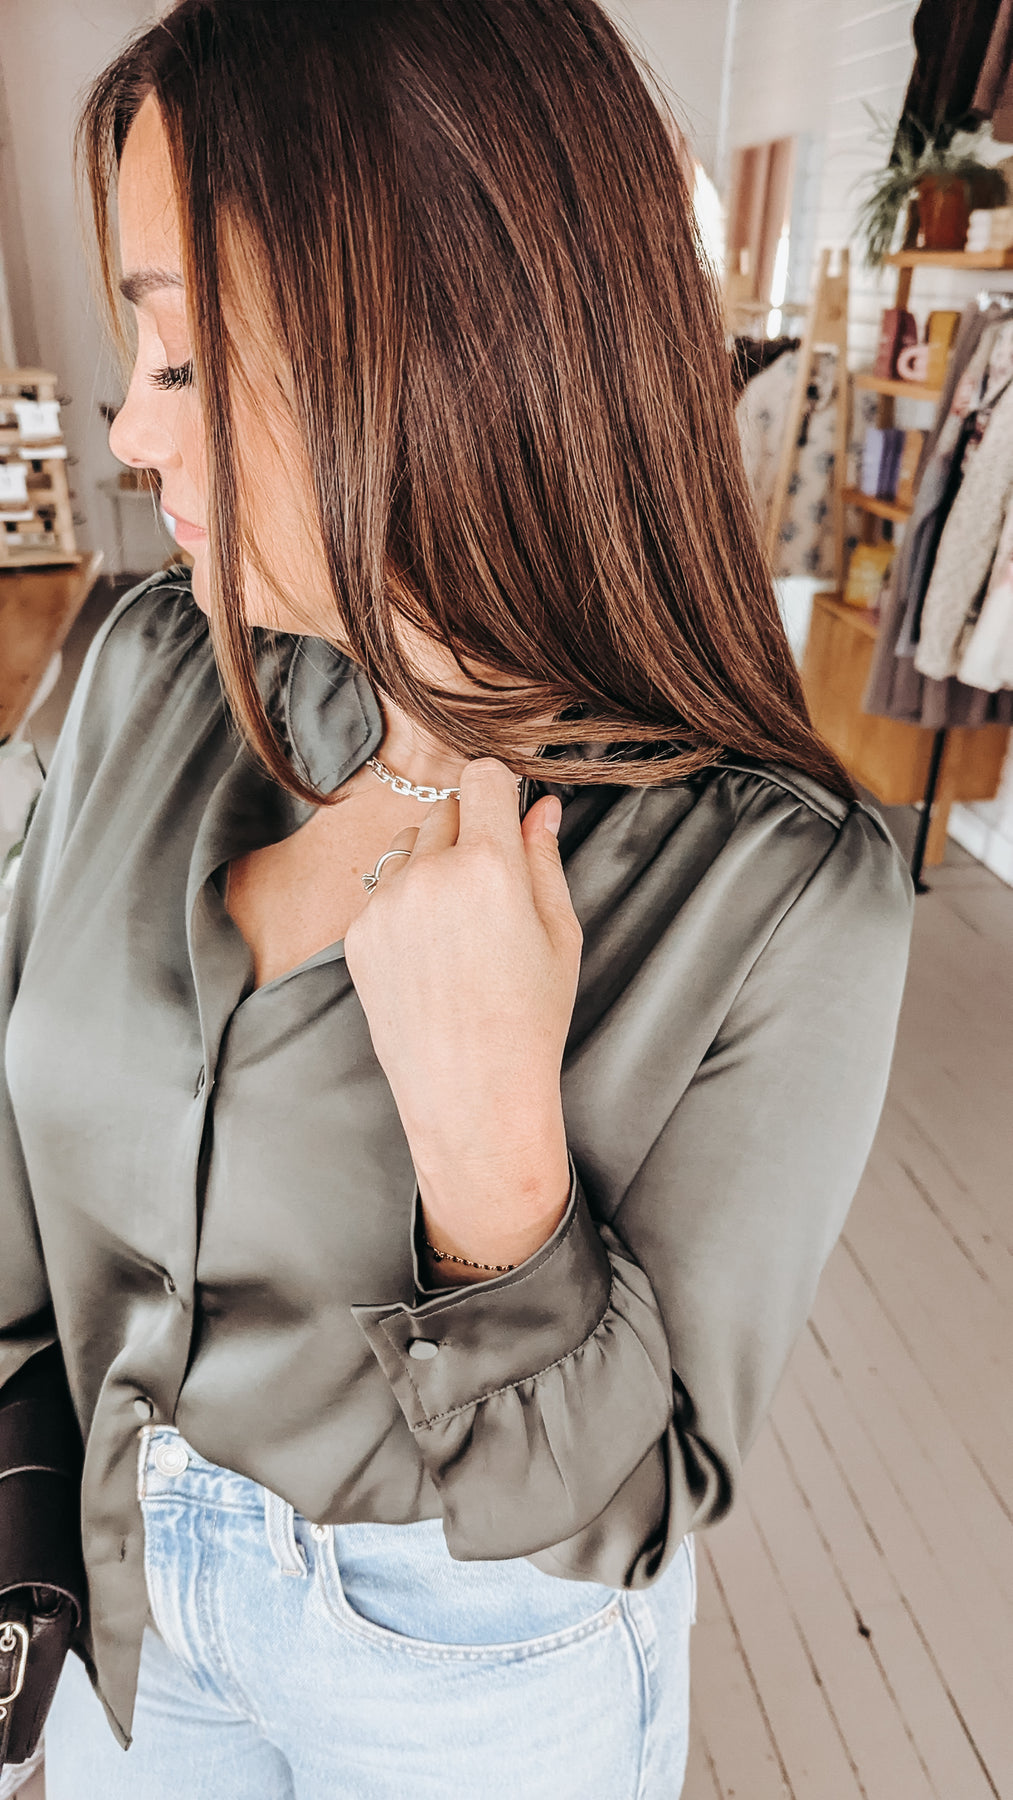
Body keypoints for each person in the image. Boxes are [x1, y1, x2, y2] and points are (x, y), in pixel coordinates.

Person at [0, 0, 915, 1794]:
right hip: (120, 1584)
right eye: (135, 353)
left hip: (467, 1660)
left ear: (443, 344)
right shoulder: (135, 675)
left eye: (185, 359)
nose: (129, 435)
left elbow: (627, 1501)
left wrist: (496, 1176)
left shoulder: (778, 890)